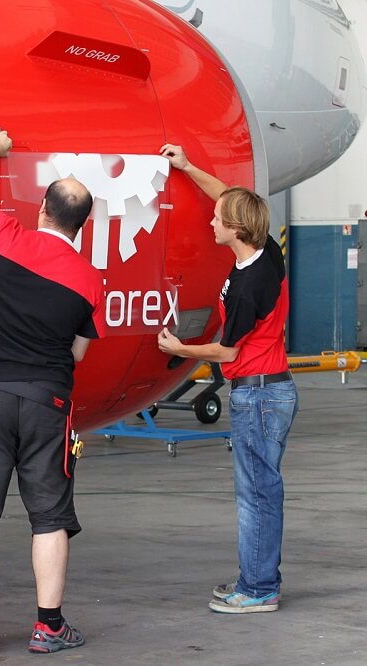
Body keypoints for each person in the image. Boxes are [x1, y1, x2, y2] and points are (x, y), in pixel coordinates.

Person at [0, 128, 105, 656]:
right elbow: (78, 353)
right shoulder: (89, 280)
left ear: (42, 211)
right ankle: (49, 627)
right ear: (81, 226)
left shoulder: (6, 238)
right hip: (47, 403)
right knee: (50, 517)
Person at [158, 144, 298, 614]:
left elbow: (227, 351)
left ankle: (258, 590)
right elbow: (228, 197)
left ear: (236, 230)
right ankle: (259, 577)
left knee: (255, 495)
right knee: (262, 490)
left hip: (257, 395)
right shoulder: (266, 252)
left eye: (218, 220)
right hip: (271, 389)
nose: (210, 220)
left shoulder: (245, 288)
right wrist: (188, 167)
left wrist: (180, 349)